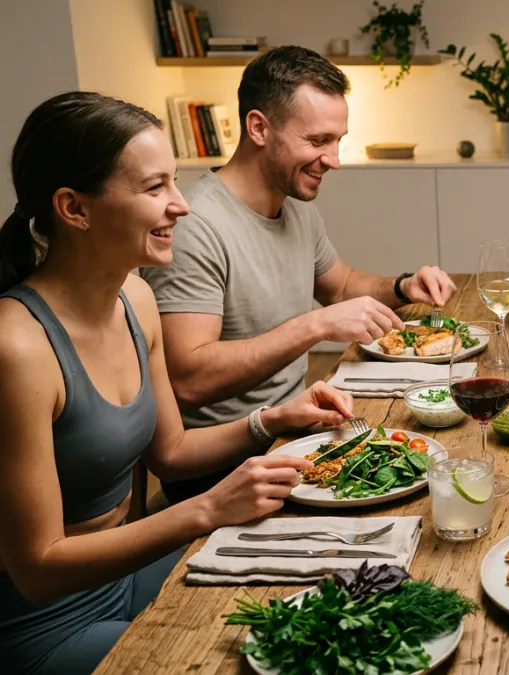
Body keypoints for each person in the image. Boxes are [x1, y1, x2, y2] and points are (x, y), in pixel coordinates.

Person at [0, 92, 355, 674]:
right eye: (154, 188)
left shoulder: (135, 299)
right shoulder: (16, 346)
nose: (181, 206)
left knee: (325, 590)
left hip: (127, 574)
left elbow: (171, 453)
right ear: (74, 207)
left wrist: (273, 419)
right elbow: (38, 566)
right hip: (43, 625)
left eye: (175, 183)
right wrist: (207, 510)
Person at [140, 46, 455, 503]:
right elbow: (188, 382)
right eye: (318, 140)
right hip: (227, 469)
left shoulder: (293, 206)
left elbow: (342, 286)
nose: (334, 159)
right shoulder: (195, 226)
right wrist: (314, 326)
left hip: (298, 433)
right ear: (259, 128)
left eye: (338, 140)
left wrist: (404, 285)